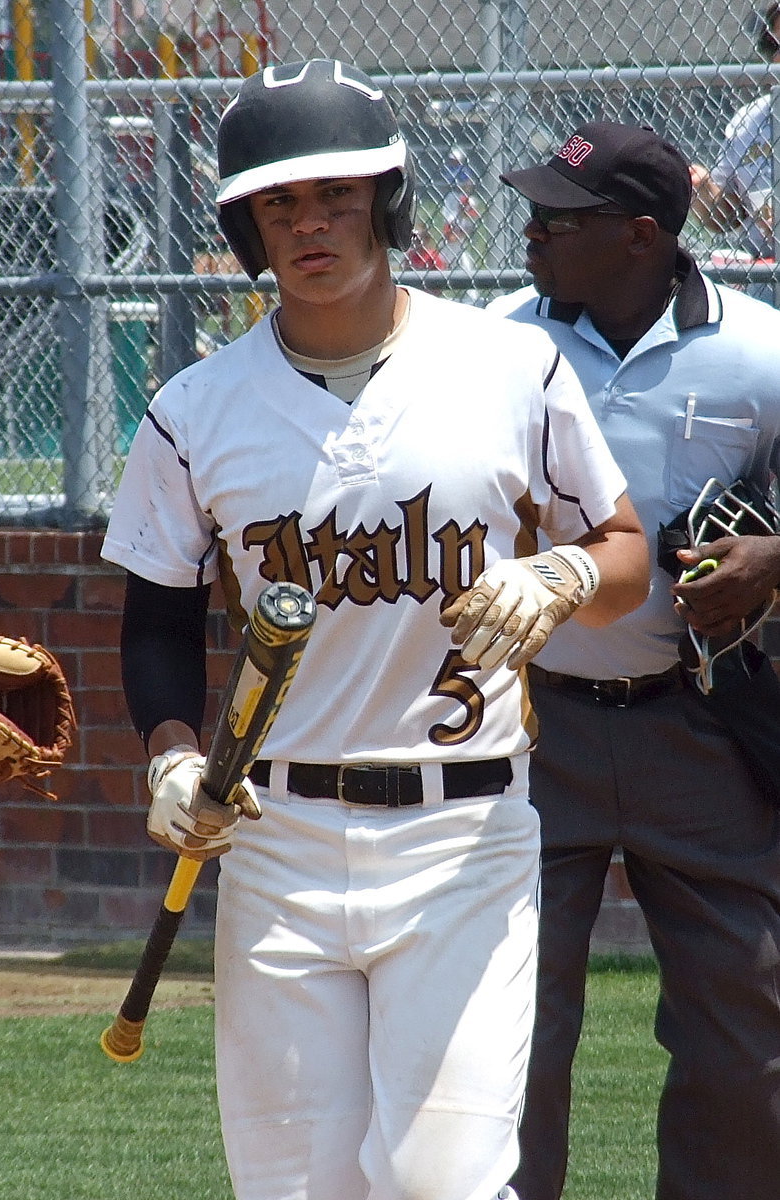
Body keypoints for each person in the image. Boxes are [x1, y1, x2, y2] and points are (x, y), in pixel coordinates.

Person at [101, 62, 649, 1200]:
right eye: (278, 206)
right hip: (276, 836)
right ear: (247, 228)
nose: (308, 225)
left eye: (335, 196)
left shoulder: (508, 365)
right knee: (297, 1187)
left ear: (385, 202)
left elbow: (626, 558)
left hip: (463, 832)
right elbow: (156, 614)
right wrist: (166, 752)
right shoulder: (196, 410)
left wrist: (557, 572)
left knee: (436, 1182)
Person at [489, 120, 780, 1200]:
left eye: (558, 220)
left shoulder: (759, 350)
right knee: (505, 1032)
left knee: (742, 1041)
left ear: (640, 236)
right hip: (528, 726)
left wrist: (773, 555)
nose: (528, 233)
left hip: (698, 721)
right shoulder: (495, 342)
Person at [689, 4, 780, 299]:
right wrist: (703, 189)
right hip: (767, 279)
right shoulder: (750, 120)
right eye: (775, 45)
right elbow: (725, 218)